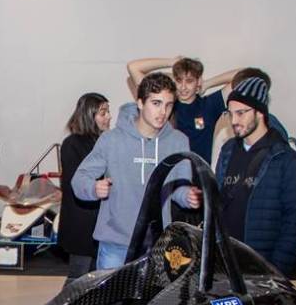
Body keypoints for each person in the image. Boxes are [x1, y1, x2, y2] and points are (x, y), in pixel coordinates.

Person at [72, 73, 196, 270]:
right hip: (115, 245)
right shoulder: (111, 140)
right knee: (110, 301)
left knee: (154, 301)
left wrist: (188, 196)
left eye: (169, 105)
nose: (163, 112)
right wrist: (94, 188)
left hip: (158, 245)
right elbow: (79, 179)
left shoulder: (178, 141)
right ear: (140, 102)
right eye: (156, 103)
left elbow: (178, 188)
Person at [214, 77, 296, 277]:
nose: (234, 121)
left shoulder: (286, 159)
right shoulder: (228, 150)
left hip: (263, 266)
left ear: (260, 112)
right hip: (226, 264)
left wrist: (276, 270)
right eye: (230, 114)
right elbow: (218, 203)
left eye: (241, 113)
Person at [127, 56, 238, 164]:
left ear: (198, 81)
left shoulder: (209, 105)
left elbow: (246, 76)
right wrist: (172, 62)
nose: (183, 87)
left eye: (189, 81)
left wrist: (208, 83)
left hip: (199, 177)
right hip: (169, 175)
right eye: (179, 80)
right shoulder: (166, 106)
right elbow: (133, 67)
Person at [59, 93, 110, 280]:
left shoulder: (104, 142)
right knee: (77, 282)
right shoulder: (72, 144)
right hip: (81, 225)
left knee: (94, 282)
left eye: (108, 112)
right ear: (89, 115)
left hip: (99, 224)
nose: (109, 117)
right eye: (103, 113)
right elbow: (76, 186)